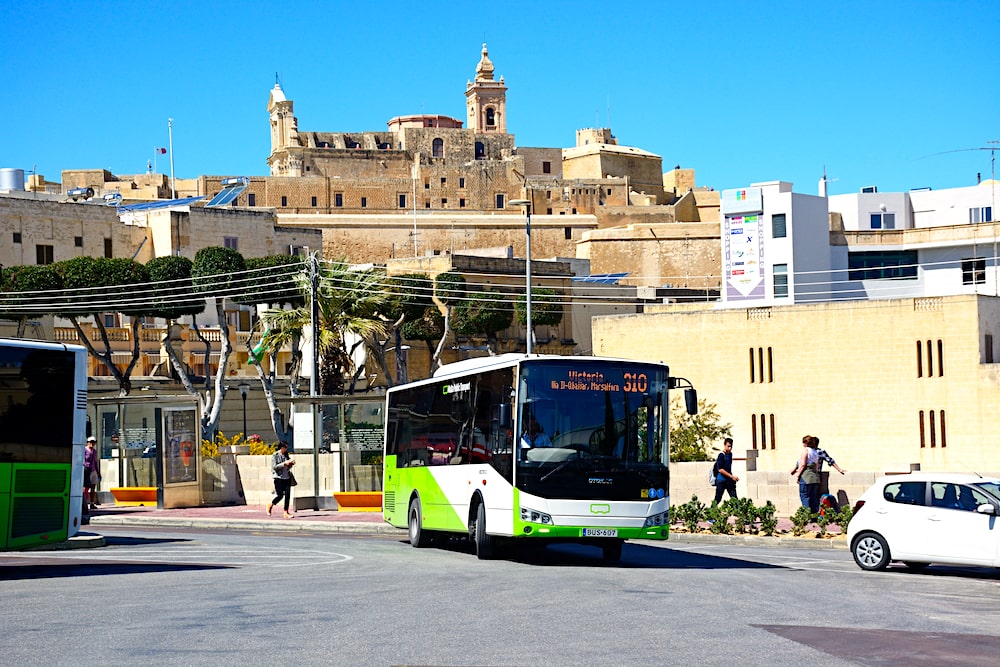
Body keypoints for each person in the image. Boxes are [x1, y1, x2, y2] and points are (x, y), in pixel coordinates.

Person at [792, 435, 822, 513]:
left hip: (806, 476)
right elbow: (816, 466)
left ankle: (807, 515)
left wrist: (798, 475)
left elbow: (803, 464)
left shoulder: (806, 450)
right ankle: (814, 515)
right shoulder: (815, 452)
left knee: (804, 496)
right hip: (815, 477)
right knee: (813, 497)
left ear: (806, 442)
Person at [267, 441, 295, 519]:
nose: (286, 449)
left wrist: (290, 464)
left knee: (287, 495)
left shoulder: (286, 454)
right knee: (280, 495)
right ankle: (271, 504)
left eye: (287, 447)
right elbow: (274, 467)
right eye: (285, 447)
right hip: (278, 477)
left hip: (287, 477)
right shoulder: (275, 455)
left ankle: (286, 512)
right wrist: (284, 464)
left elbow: (288, 465)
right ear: (281, 447)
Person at [713, 437, 739, 505]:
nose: (730, 448)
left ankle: (739, 513)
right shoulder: (721, 455)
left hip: (729, 480)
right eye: (728, 446)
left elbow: (728, 468)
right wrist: (731, 476)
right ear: (725, 445)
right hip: (721, 480)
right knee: (718, 499)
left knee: (734, 499)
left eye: (731, 446)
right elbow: (721, 469)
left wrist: (732, 478)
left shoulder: (730, 454)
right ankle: (711, 512)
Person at [84, 436, 101, 509]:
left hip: (93, 470)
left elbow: (95, 462)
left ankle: (91, 503)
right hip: (86, 470)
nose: (92, 444)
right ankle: (84, 503)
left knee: (93, 487)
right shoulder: (84, 450)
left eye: (93, 442)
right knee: (86, 487)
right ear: (87, 442)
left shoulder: (94, 451)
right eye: (90, 442)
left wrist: (98, 472)